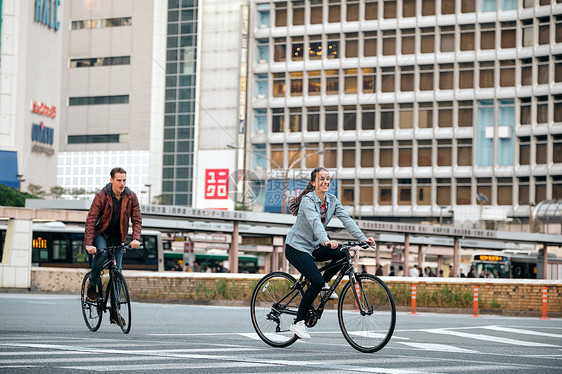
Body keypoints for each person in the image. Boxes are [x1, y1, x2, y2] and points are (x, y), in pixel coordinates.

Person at [284, 167, 375, 340]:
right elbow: (315, 222)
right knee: (316, 281)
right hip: (297, 247)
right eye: (321, 179)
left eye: (328, 179)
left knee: (343, 252)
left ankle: (324, 285)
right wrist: (326, 240)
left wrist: (363, 239)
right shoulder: (307, 200)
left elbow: (347, 220)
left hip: (314, 246)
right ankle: (298, 322)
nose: (325, 181)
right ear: (313, 182)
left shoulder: (332, 200)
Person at [85, 167, 141, 325]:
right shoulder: (102, 196)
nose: (122, 183)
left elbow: (137, 219)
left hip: (118, 237)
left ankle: (115, 312)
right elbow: (91, 220)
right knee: (101, 254)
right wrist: (89, 243)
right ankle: (93, 283)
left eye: (124, 180)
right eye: (119, 180)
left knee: (117, 272)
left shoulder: (131, 197)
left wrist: (136, 238)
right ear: (111, 180)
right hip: (102, 234)